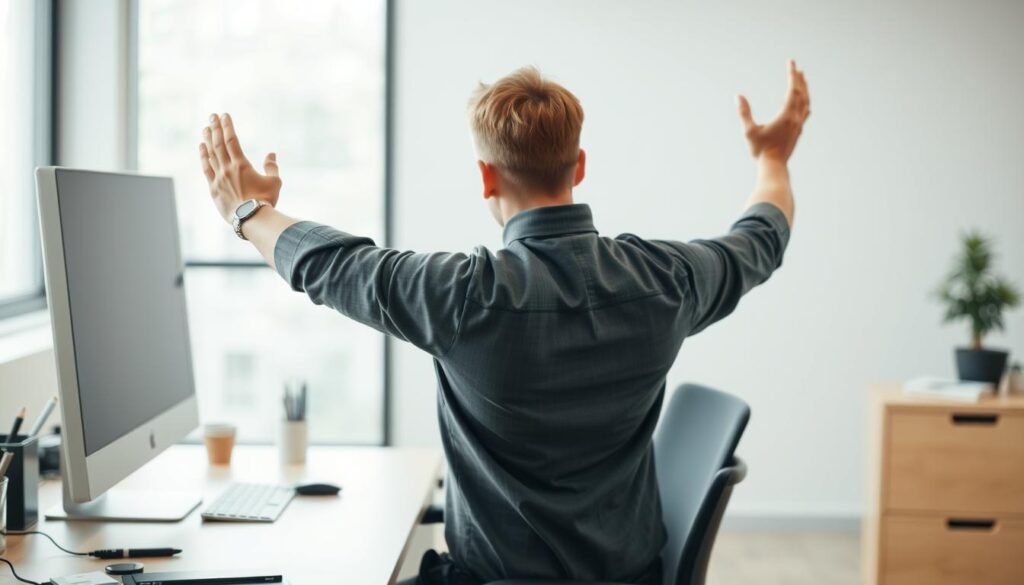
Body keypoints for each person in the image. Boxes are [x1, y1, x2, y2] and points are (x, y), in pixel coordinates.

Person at [198, 60, 810, 585]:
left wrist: (249, 211)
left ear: (486, 175)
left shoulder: (461, 296)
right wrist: (773, 158)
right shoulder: (665, 279)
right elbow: (760, 239)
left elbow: (338, 267)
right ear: (580, 165)